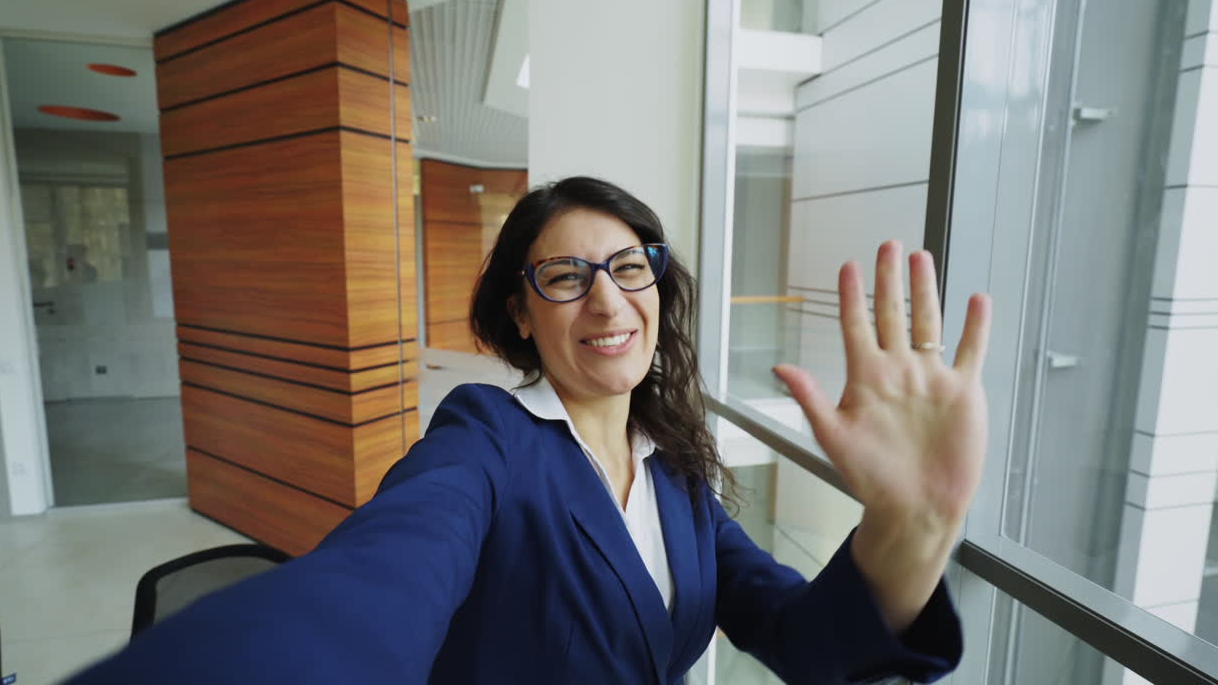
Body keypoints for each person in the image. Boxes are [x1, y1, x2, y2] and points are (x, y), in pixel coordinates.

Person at [64, 176, 991, 684]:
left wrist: (908, 529)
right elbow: (380, 578)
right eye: (565, 276)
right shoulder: (485, 443)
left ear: (660, 293)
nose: (606, 298)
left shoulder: (676, 476)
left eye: (631, 267)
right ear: (519, 313)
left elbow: (802, 640)